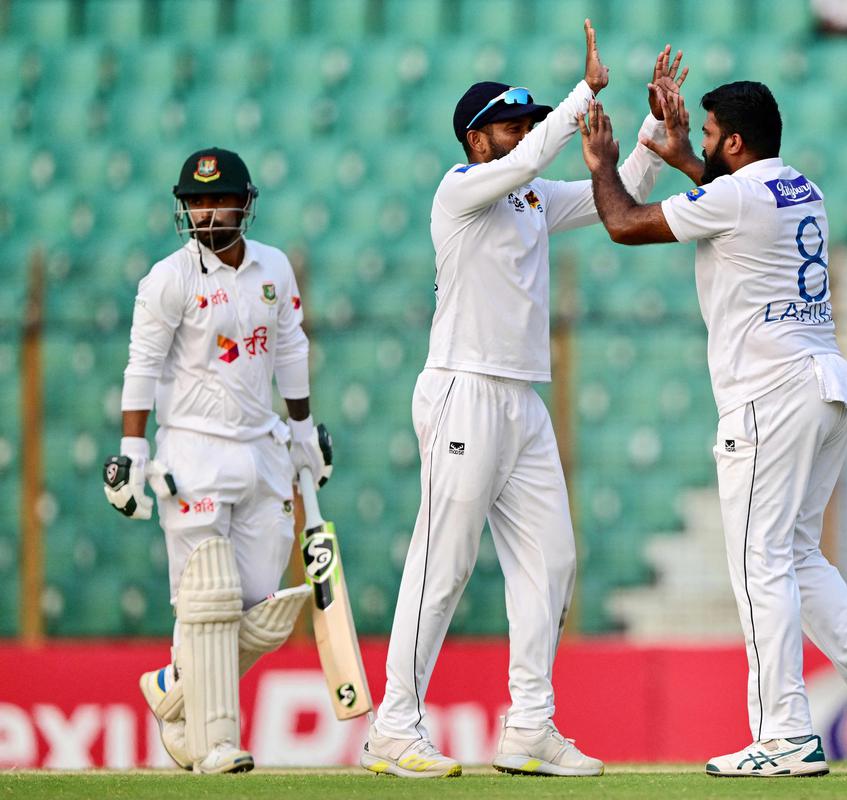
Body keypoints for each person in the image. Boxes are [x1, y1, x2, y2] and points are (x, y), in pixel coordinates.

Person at [363, 21, 691, 779]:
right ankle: (394, 726)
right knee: (443, 564)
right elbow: (536, 157)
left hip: (521, 401)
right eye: (512, 125)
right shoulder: (461, 192)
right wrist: (583, 96)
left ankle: (529, 727)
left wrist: (649, 128)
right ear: (476, 139)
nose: (526, 135)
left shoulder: (534, 196)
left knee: (552, 561)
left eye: (527, 124)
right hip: (462, 391)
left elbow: (628, 190)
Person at [577, 82, 847, 777]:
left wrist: (602, 164)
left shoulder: (734, 198)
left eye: (708, 134)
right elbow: (729, 201)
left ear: (734, 142)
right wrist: (685, 159)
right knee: (796, 556)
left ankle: (786, 734)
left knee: (758, 565)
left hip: (767, 397)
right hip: (824, 385)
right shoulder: (802, 188)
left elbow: (623, 223)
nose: (701, 142)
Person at [103, 147, 332, 774]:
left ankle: (174, 688)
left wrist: (304, 432)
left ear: (244, 202)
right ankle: (215, 743)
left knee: (261, 613)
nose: (205, 211)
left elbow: (290, 347)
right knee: (209, 600)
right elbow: (141, 366)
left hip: (263, 451)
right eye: (195, 201)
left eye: (217, 199)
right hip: (193, 454)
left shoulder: (274, 269)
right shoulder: (168, 278)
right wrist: (131, 450)